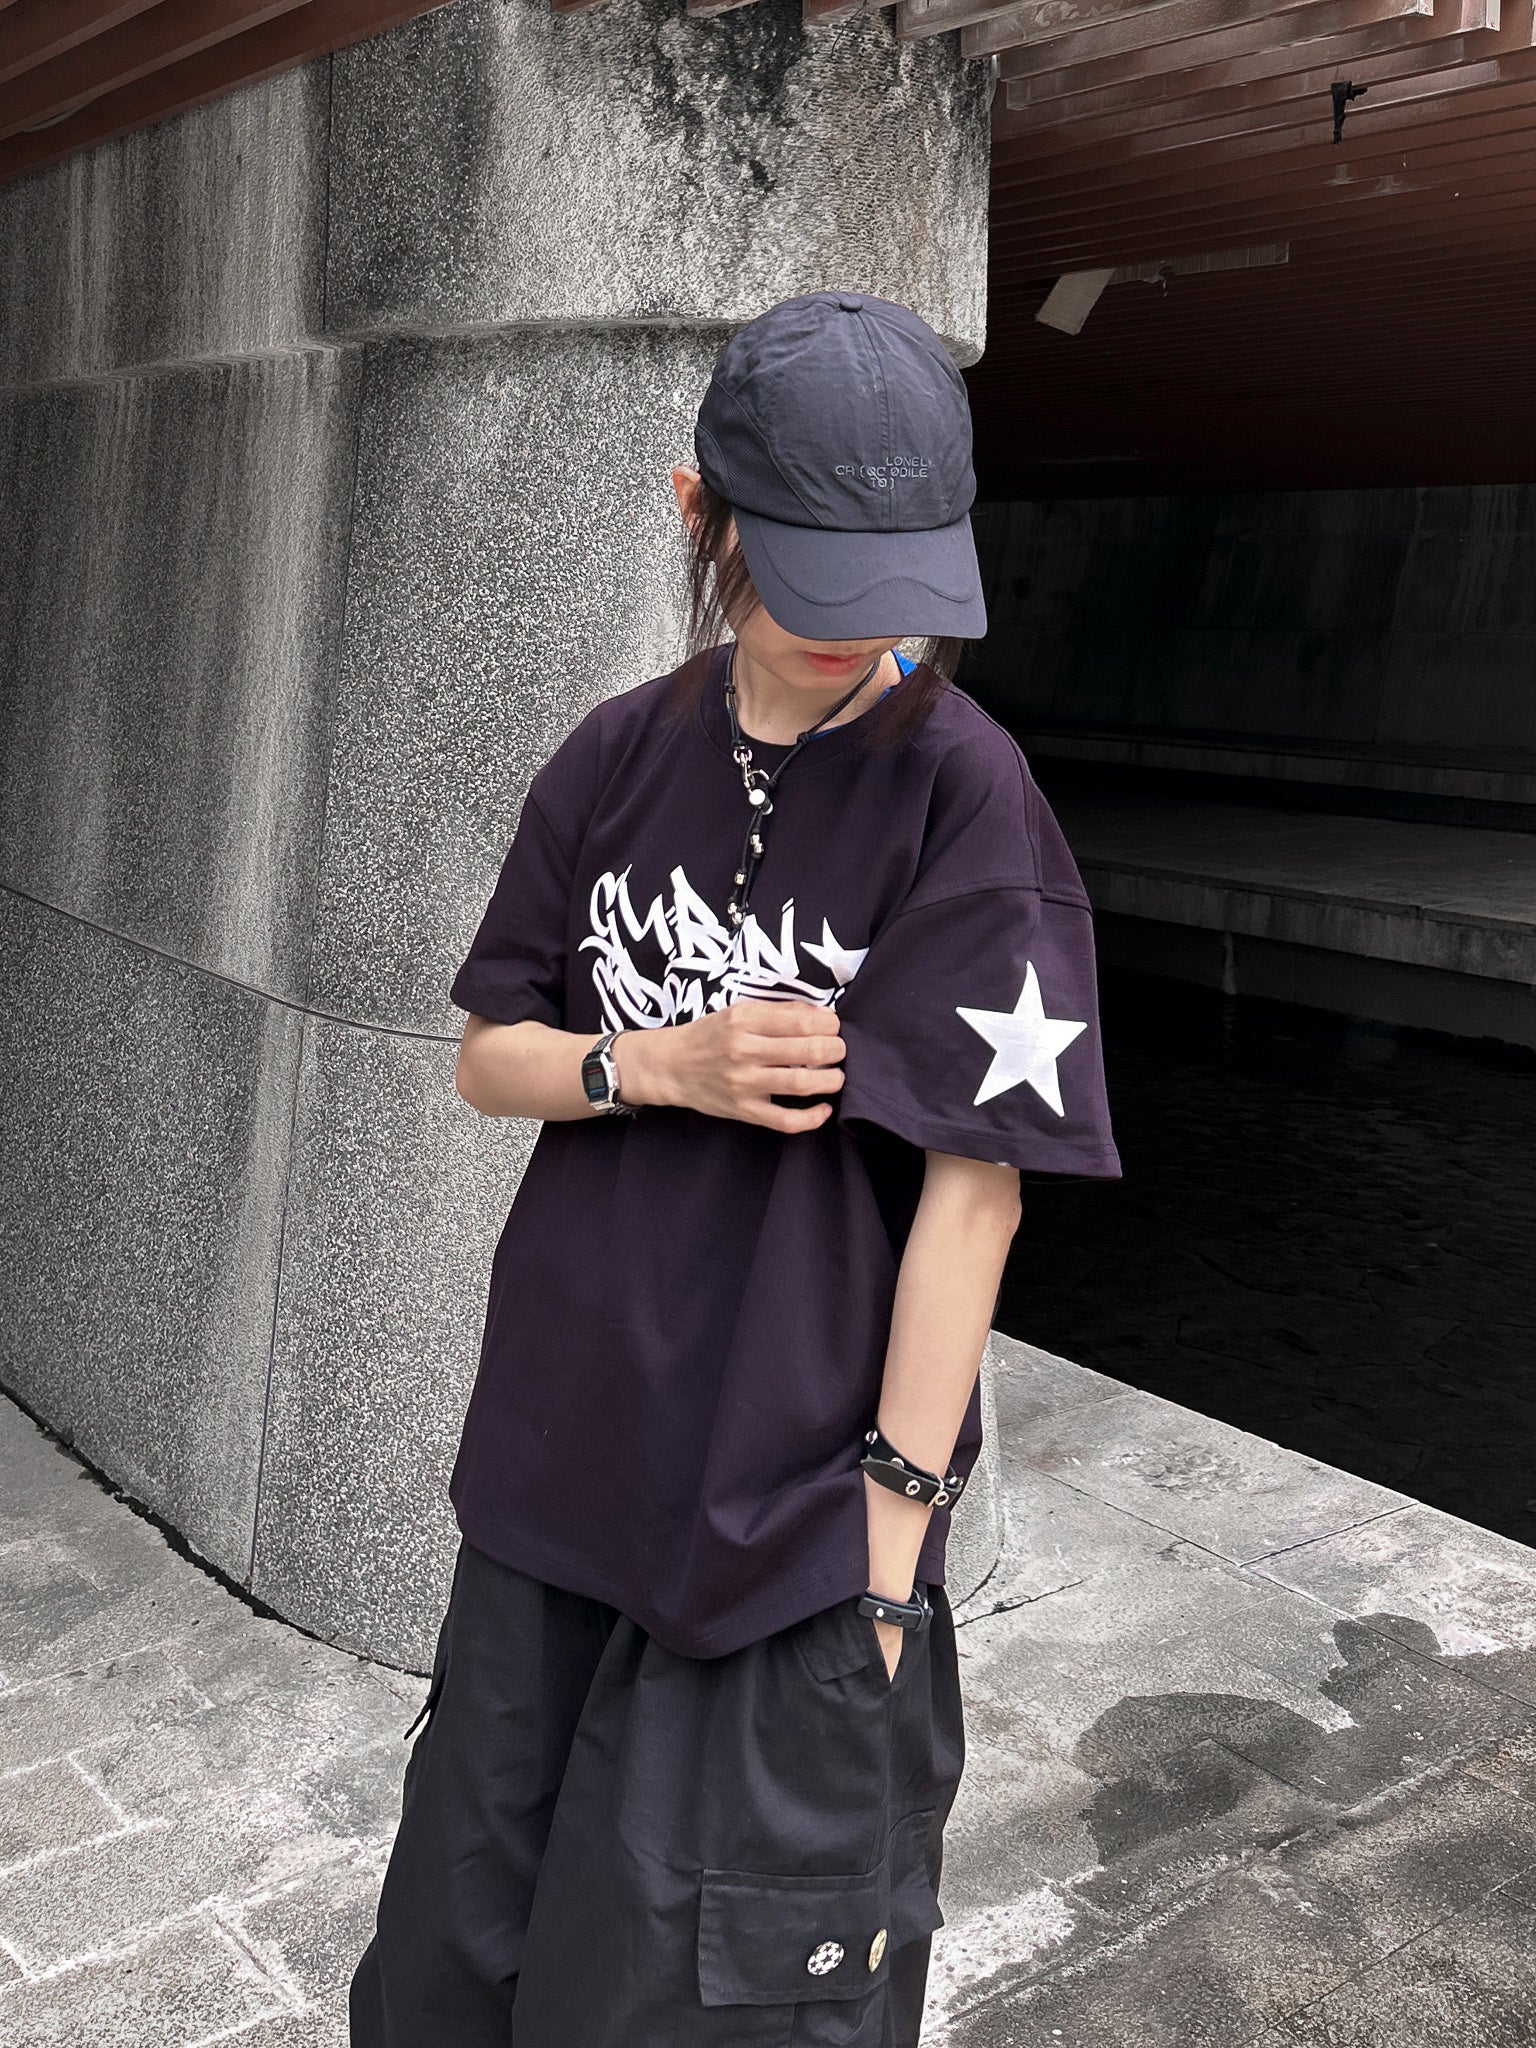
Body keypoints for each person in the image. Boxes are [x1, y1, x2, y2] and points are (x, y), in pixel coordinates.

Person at [349, 289, 1120, 2048]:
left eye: (890, 584)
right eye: (809, 578)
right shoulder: (616, 754)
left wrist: (888, 1553)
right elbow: (488, 1056)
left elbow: (976, 1194)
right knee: (453, 1966)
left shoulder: (966, 796)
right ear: (699, 510)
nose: (856, 633)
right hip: (551, 1476)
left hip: (783, 1529)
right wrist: (656, 1063)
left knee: (694, 2002)